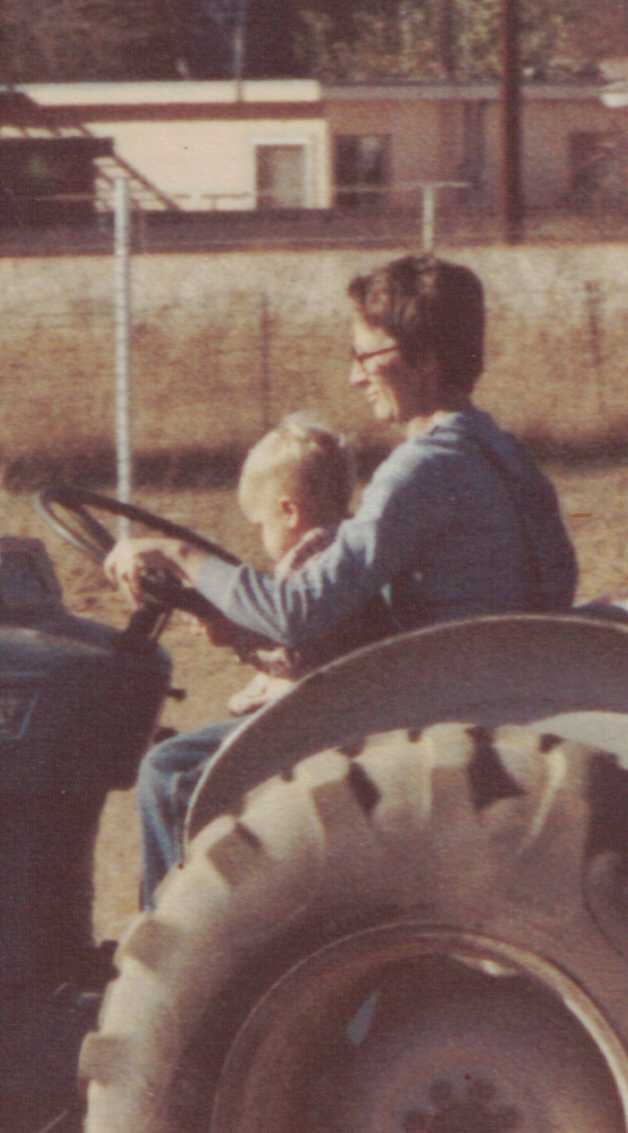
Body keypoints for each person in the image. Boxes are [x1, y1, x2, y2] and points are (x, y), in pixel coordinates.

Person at [105, 253, 577, 908]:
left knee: (172, 769)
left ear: (425, 358)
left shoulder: (423, 468)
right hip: (491, 691)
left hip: (429, 715)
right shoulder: (502, 451)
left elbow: (296, 610)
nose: (354, 376)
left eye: (365, 355)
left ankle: (169, 947)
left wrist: (179, 555)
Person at [212, 413, 386, 718]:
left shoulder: (306, 565)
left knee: (179, 750)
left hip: (317, 713)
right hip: (348, 695)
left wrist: (239, 642)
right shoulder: (348, 550)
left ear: (289, 512)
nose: (260, 538)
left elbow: (295, 658)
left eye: (261, 526)